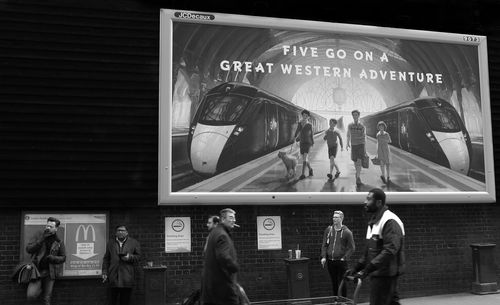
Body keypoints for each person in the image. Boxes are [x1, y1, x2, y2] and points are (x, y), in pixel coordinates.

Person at [348, 188, 405, 305]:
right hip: (379, 273)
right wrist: (356, 268)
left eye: (369, 199)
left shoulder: (389, 221)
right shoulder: (374, 222)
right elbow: (369, 252)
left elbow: (390, 250)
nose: (365, 202)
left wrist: (367, 269)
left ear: (379, 202)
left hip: (385, 275)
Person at [202, 208, 239, 305]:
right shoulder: (222, 235)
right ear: (222, 219)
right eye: (231, 217)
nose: (234, 220)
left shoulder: (214, 233)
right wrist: (234, 267)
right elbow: (223, 256)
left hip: (211, 287)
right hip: (223, 287)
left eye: (234, 218)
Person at [26, 217, 66, 305]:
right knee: (31, 295)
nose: (48, 228)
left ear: (56, 229)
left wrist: (53, 258)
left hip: (50, 273)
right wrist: (41, 240)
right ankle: (38, 289)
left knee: (47, 299)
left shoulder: (59, 241)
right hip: (36, 271)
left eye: (51, 227)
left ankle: (40, 290)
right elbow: (29, 249)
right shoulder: (39, 235)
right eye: (47, 226)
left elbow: (63, 257)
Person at [102, 225, 141, 305]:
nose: (120, 232)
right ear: (116, 233)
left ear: (127, 232)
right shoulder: (110, 243)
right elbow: (106, 259)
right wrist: (105, 272)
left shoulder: (134, 242)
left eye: (122, 230)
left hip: (126, 278)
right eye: (118, 230)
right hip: (113, 277)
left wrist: (129, 257)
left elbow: (138, 257)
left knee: (125, 302)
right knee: (112, 301)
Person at [320, 210, 355, 297]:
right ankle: (336, 300)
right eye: (333, 217)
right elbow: (324, 244)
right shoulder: (329, 230)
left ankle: (344, 300)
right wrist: (324, 257)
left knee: (342, 281)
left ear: (341, 218)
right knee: (334, 281)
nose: (334, 219)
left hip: (341, 261)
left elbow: (352, 248)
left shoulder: (347, 232)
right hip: (331, 261)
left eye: (336, 217)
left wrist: (345, 258)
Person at [346, 109, 366, 186]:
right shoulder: (350, 125)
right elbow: (348, 134)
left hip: (361, 144)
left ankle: (358, 177)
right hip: (353, 145)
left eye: (356, 115)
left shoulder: (362, 126)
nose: (355, 116)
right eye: (353, 115)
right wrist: (347, 143)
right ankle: (357, 173)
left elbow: (364, 137)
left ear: (358, 116)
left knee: (359, 161)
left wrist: (365, 148)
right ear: (352, 116)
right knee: (355, 161)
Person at [294, 109, 314, 180]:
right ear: (302, 115)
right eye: (303, 115)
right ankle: (310, 169)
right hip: (302, 143)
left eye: (306, 115)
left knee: (305, 158)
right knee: (305, 159)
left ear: (308, 117)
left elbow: (311, 134)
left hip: (308, 143)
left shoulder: (310, 125)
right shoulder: (300, 123)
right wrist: (295, 136)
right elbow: (297, 130)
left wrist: (312, 142)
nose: (304, 116)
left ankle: (302, 174)